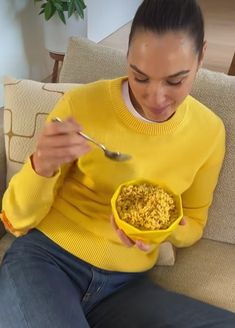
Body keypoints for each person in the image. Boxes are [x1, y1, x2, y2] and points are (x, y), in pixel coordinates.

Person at [0, 0, 235, 327]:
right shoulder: (81, 105)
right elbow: (15, 219)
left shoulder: (208, 132)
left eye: (175, 81)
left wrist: (159, 231)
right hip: (46, 262)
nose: (155, 98)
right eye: (140, 77)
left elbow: (193, 220)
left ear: (201, 57)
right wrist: (41, 165)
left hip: (127, 286)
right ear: (127, 57)